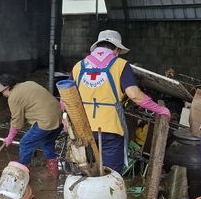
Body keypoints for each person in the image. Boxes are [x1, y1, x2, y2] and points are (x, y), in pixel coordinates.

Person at [72, 30, 171, 173]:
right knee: (110, 175)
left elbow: (67, 98)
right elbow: (134, 95)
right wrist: (160, 109)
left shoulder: (79, 66)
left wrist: (67, 123)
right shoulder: (120, 65)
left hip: (83, 128)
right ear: (116, 49)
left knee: (86, 173)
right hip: (110, 129)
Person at [0, 74, 62, 176]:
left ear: (7, 87)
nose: (3, 94)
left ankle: (23, 174)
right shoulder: (29, 83)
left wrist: (10, 137)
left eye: (2, 91)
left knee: (25, 143)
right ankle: (53, 173)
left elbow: (17, 121)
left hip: (45, 120)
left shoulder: (13, 97)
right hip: (59, 117)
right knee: (47, 142)